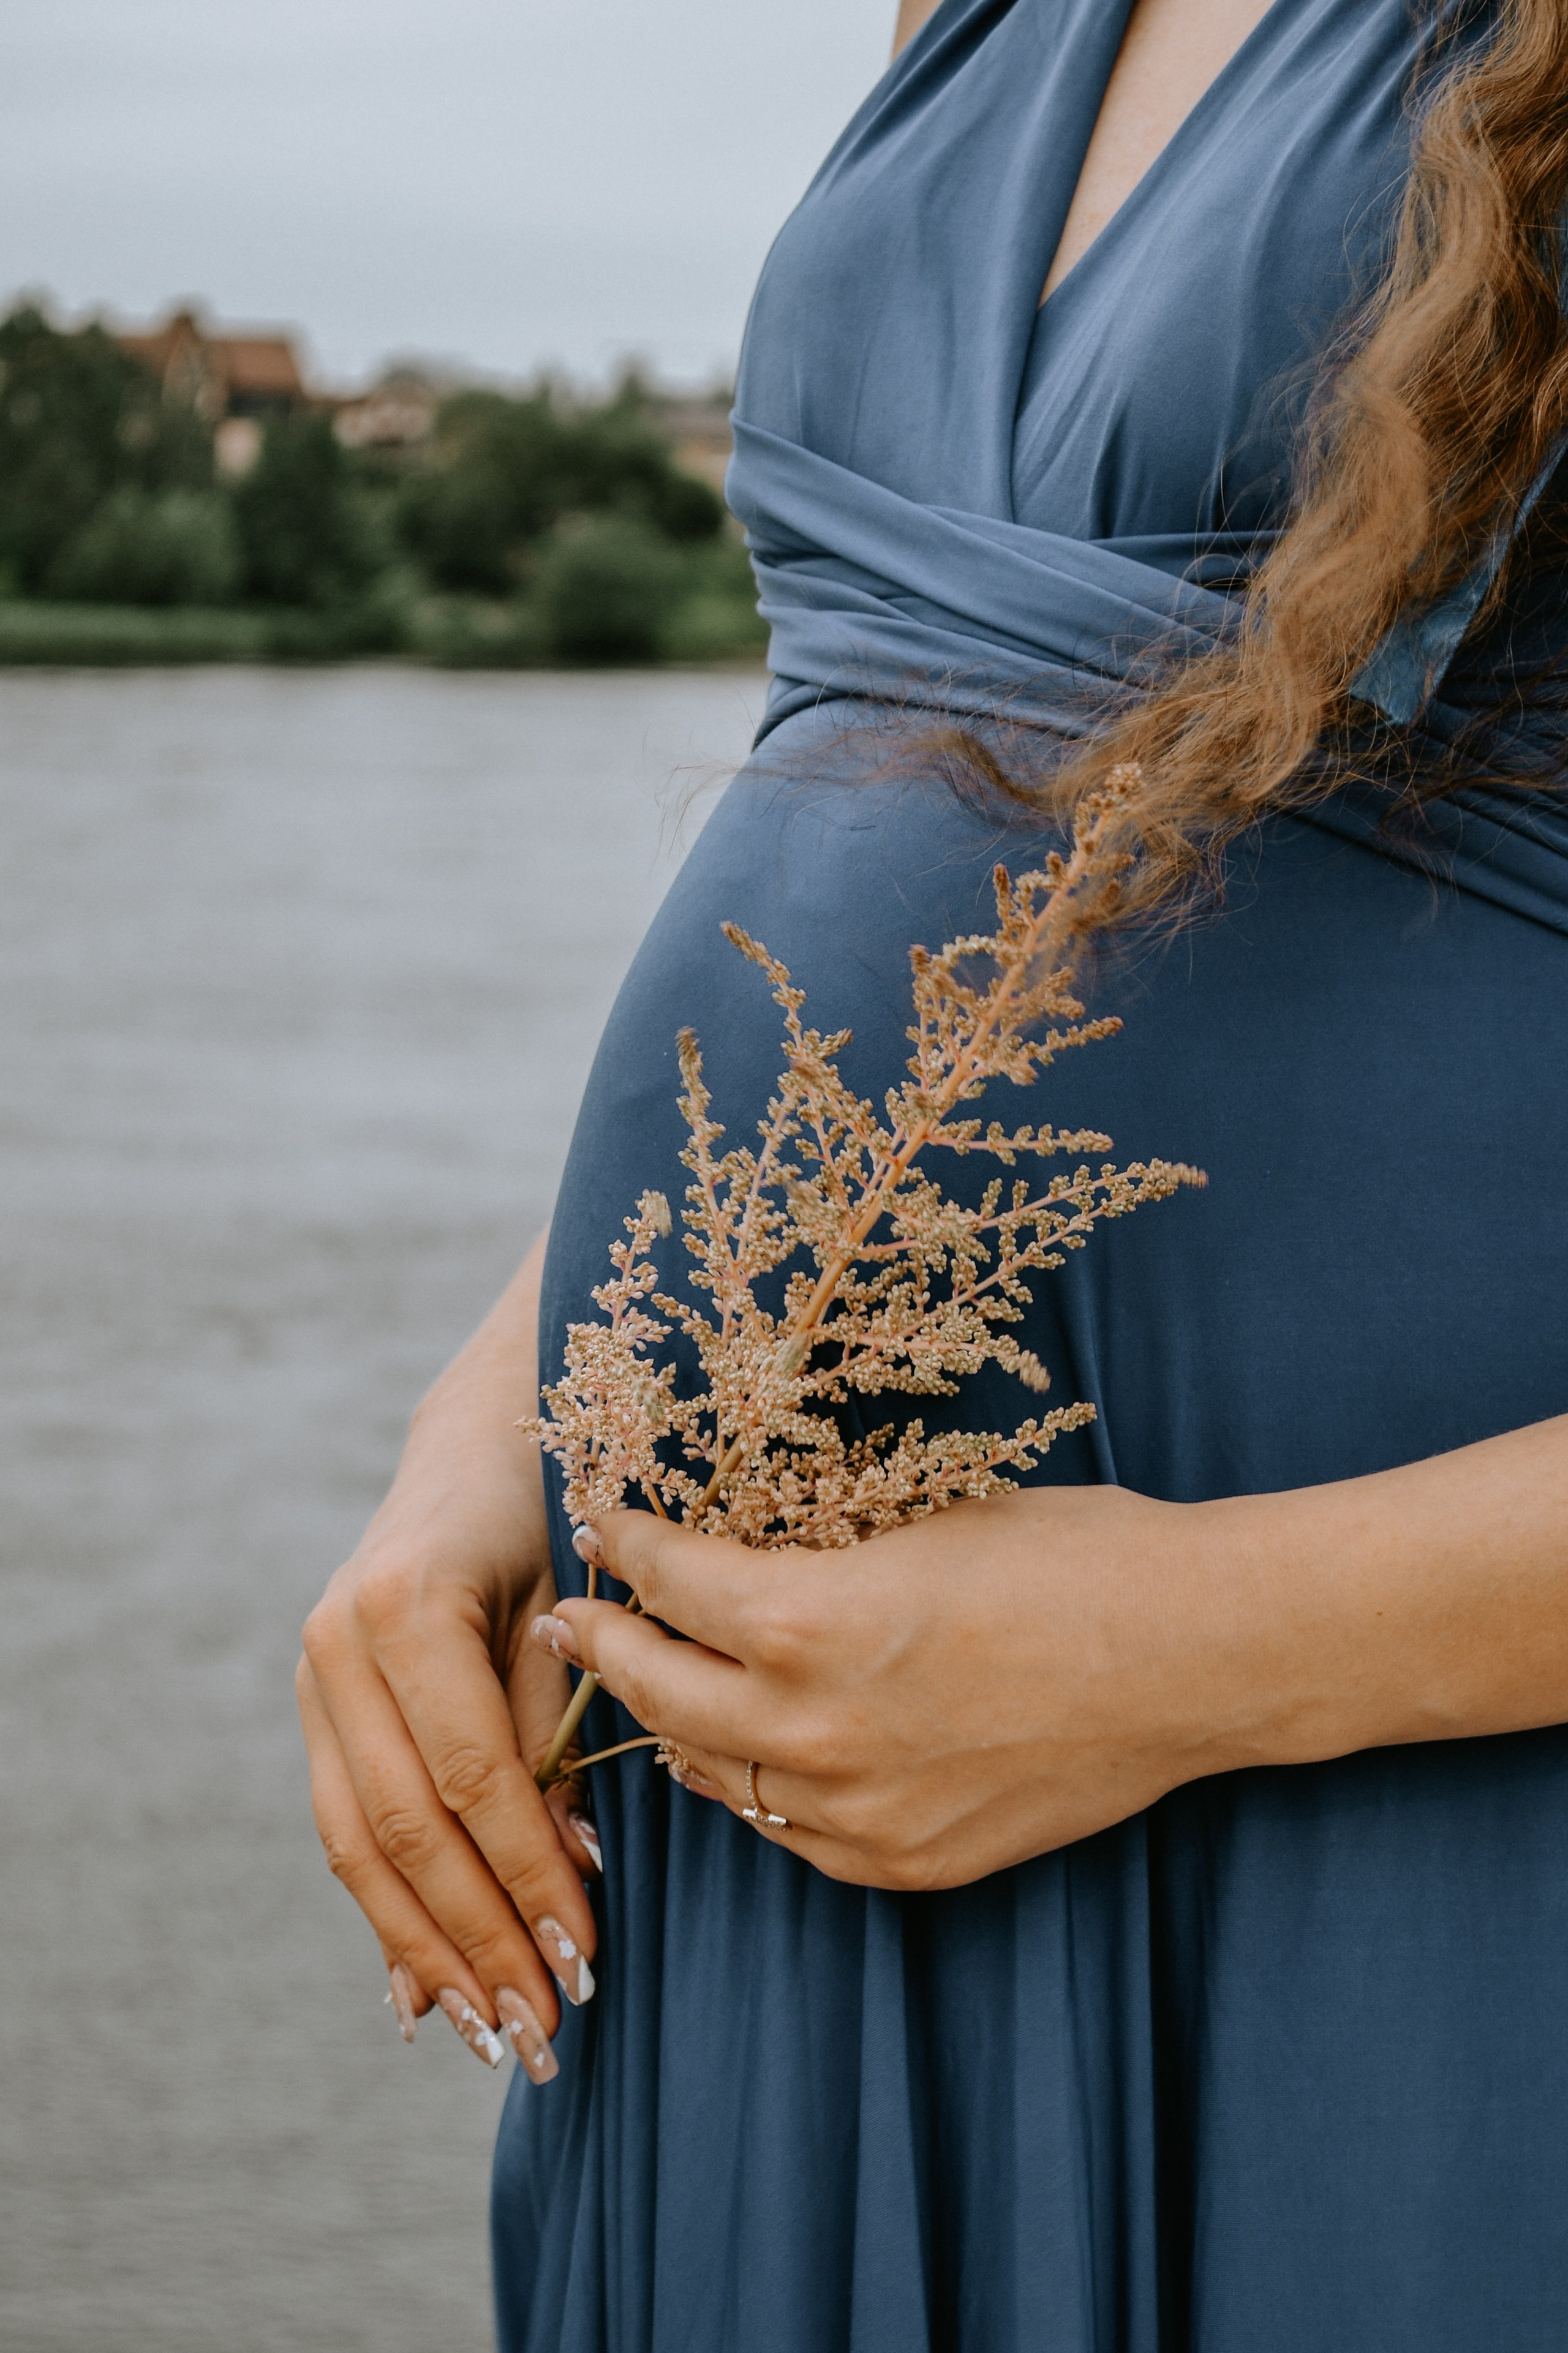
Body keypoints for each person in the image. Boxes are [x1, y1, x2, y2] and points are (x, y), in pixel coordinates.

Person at [298, 0, 1568, 2344]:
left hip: (1383, 1786)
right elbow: (871, 780)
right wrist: (490, 1425)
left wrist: (1205, 1657)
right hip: (788, 1815)